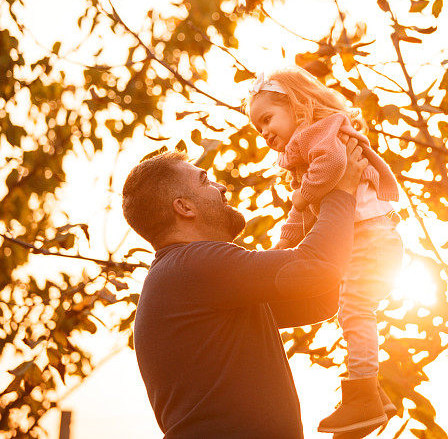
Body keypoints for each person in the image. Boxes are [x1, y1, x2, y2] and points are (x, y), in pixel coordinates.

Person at [122, 138, 367, 439]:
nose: (221, 187)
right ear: (184, 207)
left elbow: (318, 299)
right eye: (205, 181)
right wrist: (342, 192)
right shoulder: (193, 265)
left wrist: (316, 197)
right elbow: (316, 270)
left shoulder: (189, 277)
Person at [247, 66, 403, 435]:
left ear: (297, 105)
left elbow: (333, 167)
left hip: (371, 236)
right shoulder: (306, 150)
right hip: (368, 239)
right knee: (352, 312)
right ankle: (374, 395)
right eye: (258, 128)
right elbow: (298, 214)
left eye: (268, 119)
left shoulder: (322, 131)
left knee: (355, 309)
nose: (265, 132)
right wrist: (283, 246)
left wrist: (301, 196)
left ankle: (363, 395)